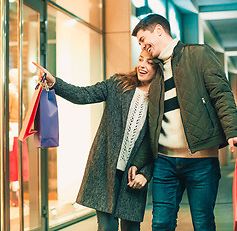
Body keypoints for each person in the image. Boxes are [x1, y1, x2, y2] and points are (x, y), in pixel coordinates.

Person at [132, 14, 237, 231]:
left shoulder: (199, 54)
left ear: (158, 30)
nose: (142, 46)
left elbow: (221, 95)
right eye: (139, 43)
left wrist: (233, 131)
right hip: (164, 162)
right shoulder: (154, 71)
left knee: (203, 223)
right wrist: (139, 161)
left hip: (202, 161)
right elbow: (152, 126)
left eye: (142, 38)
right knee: (161, 224)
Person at [36, 50, 157, 231]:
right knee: (107, 228)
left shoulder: (160, 99)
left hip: (133, 175)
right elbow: (84, 95)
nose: (142, 65)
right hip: (105, 170)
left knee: (131, 229)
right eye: (140, 60)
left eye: (150, 63)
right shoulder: (118, 84)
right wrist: (55, 83)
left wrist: (145, 173)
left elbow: (155, 142)